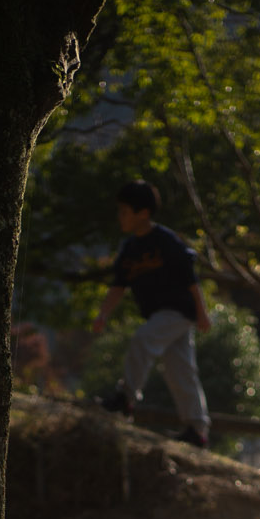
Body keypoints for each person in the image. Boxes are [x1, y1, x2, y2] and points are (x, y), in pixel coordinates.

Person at [91, 180, 212, 448]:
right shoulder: (130, 248)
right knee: (180, 370)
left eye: (124, 211)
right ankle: (197, 430)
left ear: (143, 213)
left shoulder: (165, 241)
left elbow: (190, 279)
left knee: (143, 339)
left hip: (179, 311)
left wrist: (202, 312)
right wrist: (103, 314)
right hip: (159, 315)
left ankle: (125, 398)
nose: (120, 216)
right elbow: (118, 286)